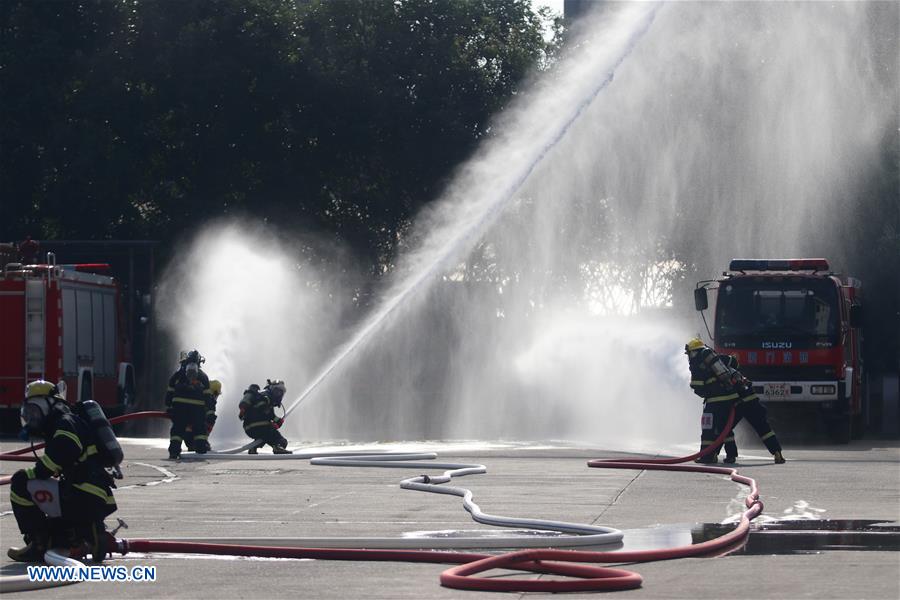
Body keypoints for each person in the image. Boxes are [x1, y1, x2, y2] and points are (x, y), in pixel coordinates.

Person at [7, 381, 118, 563]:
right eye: (29, 413)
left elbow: (64, 451)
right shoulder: (71, 421)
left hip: (81, 494)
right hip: (96, 495)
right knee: (54, 527)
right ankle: (86, 532)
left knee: (20, 482)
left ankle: (39, 544)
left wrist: (36, 472)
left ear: (53, 404)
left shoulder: (63, 423)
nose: (33, 417)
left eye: (36, 411)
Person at [686, 337, 785, 464]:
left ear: (693, 352)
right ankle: (777, 453)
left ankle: (713, 455)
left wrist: (706, 393)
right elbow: (735, 363)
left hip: (727, 401)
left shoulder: (697, 364)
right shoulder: (719, 360)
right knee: (762, 427)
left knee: (721, 428)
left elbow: (698, 387)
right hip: (747, 398)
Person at [720, 355, 786, 464]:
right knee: (764, 429)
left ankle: (730, 456)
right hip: (753, 403)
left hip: (739, 405)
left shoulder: (726, 374)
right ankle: (777, 453)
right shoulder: (737, 373)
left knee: (725, 429)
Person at [165, 350, 212, 458]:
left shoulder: (177, 375)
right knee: (200, 431)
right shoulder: (203, 377)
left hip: (179, 409)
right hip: (198, 411)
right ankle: (200, 452)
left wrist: (169, 407)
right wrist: (210, 412)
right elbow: (208, 397)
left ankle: (174, 452)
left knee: (177, 431)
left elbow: (169, 395)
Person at [238, 380, 292, 454]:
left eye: (280, 393)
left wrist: (274, 422)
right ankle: (278, 446)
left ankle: (253, 447)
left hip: (249, 427)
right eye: (277, 391)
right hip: (259, 426)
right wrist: (277, 420)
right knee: (281, 440)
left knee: (264, 437)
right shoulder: (266, 396)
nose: (278, 395)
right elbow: (264, 409)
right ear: (272, 389)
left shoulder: (261, 396)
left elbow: (263, 413)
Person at [183, 379, 220, 452]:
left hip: (187, 434)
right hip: (197, 435)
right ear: (214, 392)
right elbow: (210, 418)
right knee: (212, 418)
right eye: (217, 394)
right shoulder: (210, 400)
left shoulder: (198, 395)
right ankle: (202, 442)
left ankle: (197, 444)